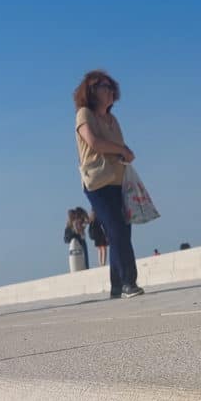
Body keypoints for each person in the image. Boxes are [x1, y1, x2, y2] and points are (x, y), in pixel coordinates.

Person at [73, 71, 144, 299]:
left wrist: (126, 154)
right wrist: (122, 150)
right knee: (117, 230)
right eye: (105, 86)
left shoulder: (113, 120)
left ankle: (117, 286)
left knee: (121, 231)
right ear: (92, 90)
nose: (110, 90)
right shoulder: (84, 115)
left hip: (118, 181)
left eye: (112, 86)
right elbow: (94, 143)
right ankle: (129, 282)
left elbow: (117, 147)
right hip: (98, 184)